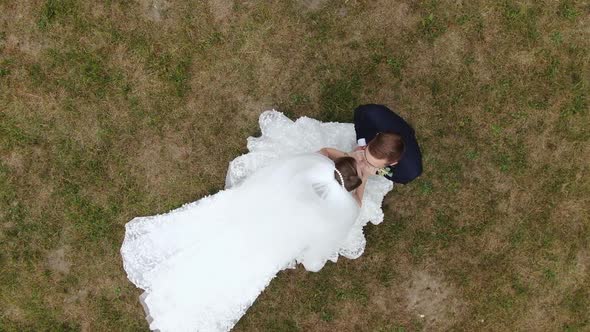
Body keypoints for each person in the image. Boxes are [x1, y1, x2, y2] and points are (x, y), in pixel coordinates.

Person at [121, 153, 363, 331]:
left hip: (249, 211)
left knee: (213, 234)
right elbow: (313, 262)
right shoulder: (327, 218)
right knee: (231, 276)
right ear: (346, 193)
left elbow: (268, 176)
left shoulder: (308, 168)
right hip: (269, 249)